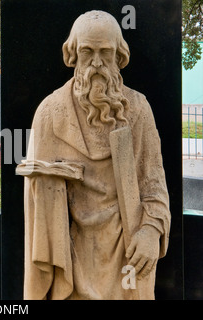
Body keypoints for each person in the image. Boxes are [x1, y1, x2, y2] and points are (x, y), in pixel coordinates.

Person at [19, 10, 171, 300]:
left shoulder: (138, 110)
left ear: (119, 57)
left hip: (127, 250)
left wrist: (151, 230)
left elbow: (154, 185)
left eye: (106, 52)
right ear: (73, 55)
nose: (97, 63)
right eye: (88, 52)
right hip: (69, 259)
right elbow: (35, 202)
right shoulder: (50, 113)